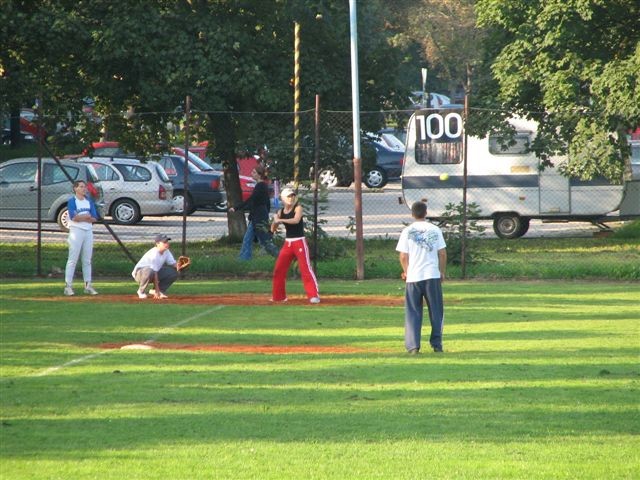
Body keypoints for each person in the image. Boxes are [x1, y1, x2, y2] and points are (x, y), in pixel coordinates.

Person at [396, 201, 447, 354]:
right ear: (426, 213)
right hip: (432, 275)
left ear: (412, 214)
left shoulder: (407, 231)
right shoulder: (435, 229)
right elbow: (442, 253)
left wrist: (406, 271)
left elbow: (403, 256)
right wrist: (441, 271)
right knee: (436, 311)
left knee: (413, 311)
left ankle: (413, 346)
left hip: (414, 277)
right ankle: (437, 344)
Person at [270, 187, 320, 304]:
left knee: (305, 268)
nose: (291, 198)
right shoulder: (280, 212)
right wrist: (275, 222)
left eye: (292, 196)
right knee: (279, 270)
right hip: (288, 243)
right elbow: (273, 227)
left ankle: (313, 295)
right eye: (288, 196)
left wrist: (280, 220)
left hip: (299, 242)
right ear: (282, 198)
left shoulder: (298, 208)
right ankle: (279, 297)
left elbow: (296, 220)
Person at [228, 165, 279, 260]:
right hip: (257, 216)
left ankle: (280, 256)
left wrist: (236, 208)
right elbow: (264, 202)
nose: (252, 174)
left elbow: (251, 200)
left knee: (265, 242)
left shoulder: (261, 186)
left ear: (259, 175)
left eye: (254, 172)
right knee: (247, 239)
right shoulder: (262, 185)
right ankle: (244, 258)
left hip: (259, 217)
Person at [64, 180, 99, 296]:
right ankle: (68, 286)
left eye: (85, 187)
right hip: (76, 231)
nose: (84, 189)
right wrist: (85, 216)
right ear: (75, 189)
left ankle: (88, 285)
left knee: (87, 260)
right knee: (72, 259)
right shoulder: (72, 201)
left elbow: (94, 217)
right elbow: (74, 217)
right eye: (81, 187)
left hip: (88, 231)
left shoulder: (89, 201)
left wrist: (83, 217)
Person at [132, 234, 184, 299]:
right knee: (150, 271)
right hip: (139, 274)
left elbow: (174, 264)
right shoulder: (154, 254)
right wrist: (157, 290)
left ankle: (159, 290)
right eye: (164, 242)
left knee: (174, 272)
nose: (167, 244)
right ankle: (141, 291)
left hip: (152, 272)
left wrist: (181, 264)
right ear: (157, 244)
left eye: (167, 242)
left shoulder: (166, 251)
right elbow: (154, 273)